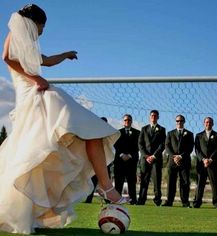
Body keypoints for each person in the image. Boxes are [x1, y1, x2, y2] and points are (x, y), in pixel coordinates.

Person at [0, 4, 127, 234]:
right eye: (42, 26)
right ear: (32, 23)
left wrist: (66, 55)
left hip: (39, 94)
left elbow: (46, 61)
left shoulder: (28, 45)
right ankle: (106, 188)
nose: (42, 31)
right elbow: (6, 57)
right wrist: (34, 78)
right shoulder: (14, 36)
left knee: (47, 155)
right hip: (36, 95)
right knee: (89, 129)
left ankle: (104, 187)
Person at [162, 115, 194, 207]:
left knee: (185, 182)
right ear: (175, 122)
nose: (179, 122)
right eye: (177, 121)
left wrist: (180, 156)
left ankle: (185, 202)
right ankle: (169, 201)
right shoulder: (170, 133)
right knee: (171, 182)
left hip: (184, 161)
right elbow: (167, 146)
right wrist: (174, 156)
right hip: (172, 161)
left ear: (184, 122)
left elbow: (190, 147)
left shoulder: (189, 134)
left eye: (181, 121)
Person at [137, 110, 166, 206]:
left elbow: (162, 144)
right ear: (150, 117)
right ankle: (141, 200)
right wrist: (146, 156)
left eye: (155, 116)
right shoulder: (144, 129)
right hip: (145, 159)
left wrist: (154, 156)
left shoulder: (162, 129)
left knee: (157, 181)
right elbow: (140, 144)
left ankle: (157, 201)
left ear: (158, 117)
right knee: (144, 180)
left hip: (156, 159)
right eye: (152, 115)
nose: (153, 117)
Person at [193, 117, 217, 209]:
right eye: (206, 122)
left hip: (213, 164)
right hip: (201, 164)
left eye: (210, 122)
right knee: (200, 183)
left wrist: (210, 159)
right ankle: (197, 202)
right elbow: (197, 149)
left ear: (212, 124)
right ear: (204, 123)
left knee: (214, 184)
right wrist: (203, 159)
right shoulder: (198, 135)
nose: (208, 123)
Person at [113, 114, 140, 205]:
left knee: (131, 181)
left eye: (128, 120)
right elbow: (115, 145)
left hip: (131, 161)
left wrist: (129, 155)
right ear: (123, 121)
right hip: (120, 161)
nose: (127, 121)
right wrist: (121, 154)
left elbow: (138, 146)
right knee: (118, 181)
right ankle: (117, 199)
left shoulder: (137, 133)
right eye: (125, 120)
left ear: (131, 121)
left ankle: (133, 200)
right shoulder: (118, 132)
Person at [85, 117, 111, 203]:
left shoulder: (109, 134)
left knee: (106, 182)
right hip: (95, 162)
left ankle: (108, 199)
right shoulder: (94, 133)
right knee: (93, 181)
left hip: (106, 162)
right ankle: (89, 199)